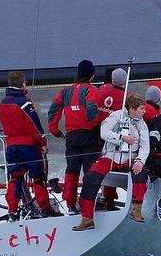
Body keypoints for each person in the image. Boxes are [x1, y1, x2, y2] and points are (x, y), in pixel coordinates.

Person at [73, 95, 150, 231]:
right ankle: (87, 218)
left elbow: (145, 146)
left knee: (141, 173)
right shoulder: (116, 116)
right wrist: (122, 138)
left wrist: (140, 161)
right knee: (90, 177)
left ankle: (136, 210)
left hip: (130, 158)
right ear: (132, 109)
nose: (144, 111)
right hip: (110, 157)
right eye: (142, 109)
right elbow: (104, 132)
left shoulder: (142, 124)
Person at [0, 71, 61, 220]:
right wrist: (43, 142)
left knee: (15, 178)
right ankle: (45, 209)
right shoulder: (24, 102)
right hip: (29, 147)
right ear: (22, 83)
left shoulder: (2, 103)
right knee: (38, 178)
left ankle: (12, 212)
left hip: (11, 147)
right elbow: (34, 125)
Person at [48, 59, 100, 213]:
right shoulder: (91, 90)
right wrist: (94, 124)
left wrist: (54, 130)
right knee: (89, 172)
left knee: (72, 171)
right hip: (89, 135)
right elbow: (91, 109)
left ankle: (71, 205)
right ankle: (86, 204)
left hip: (71, 136)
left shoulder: (65, 91)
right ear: (91, 76)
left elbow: (53, 110)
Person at [94, 67, 128, 211]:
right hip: (112, 137)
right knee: (111, 166)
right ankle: (109, 200)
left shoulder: (100, 90)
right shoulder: (125, 97)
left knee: (94, 167)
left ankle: (91, 197)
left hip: (95, 133)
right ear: (125, 81)